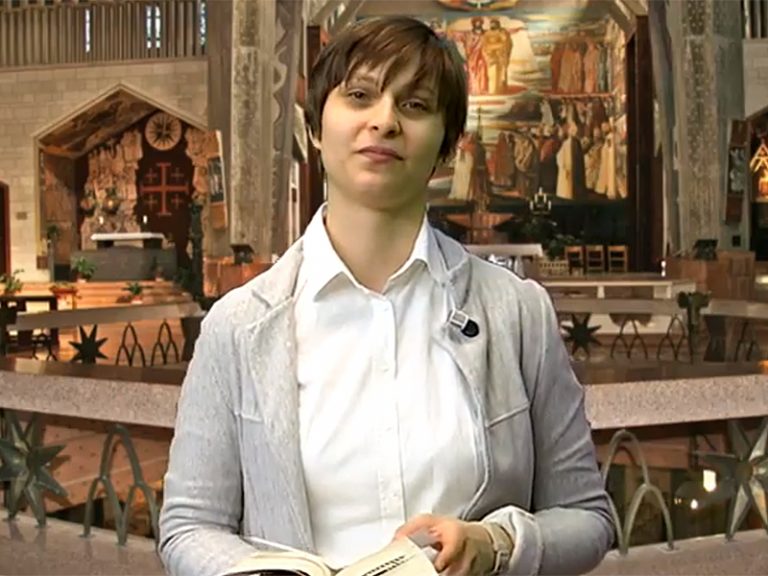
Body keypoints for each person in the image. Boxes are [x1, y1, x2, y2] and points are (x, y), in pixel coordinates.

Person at [158, 16, 614, 576]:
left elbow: (587, 516)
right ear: (316, 127)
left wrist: (496, 543)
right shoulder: (239, 325)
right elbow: (189, 526)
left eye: (415, 105)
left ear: (446, 149)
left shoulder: (516, 313)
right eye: (359, 96)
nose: (384, 121)